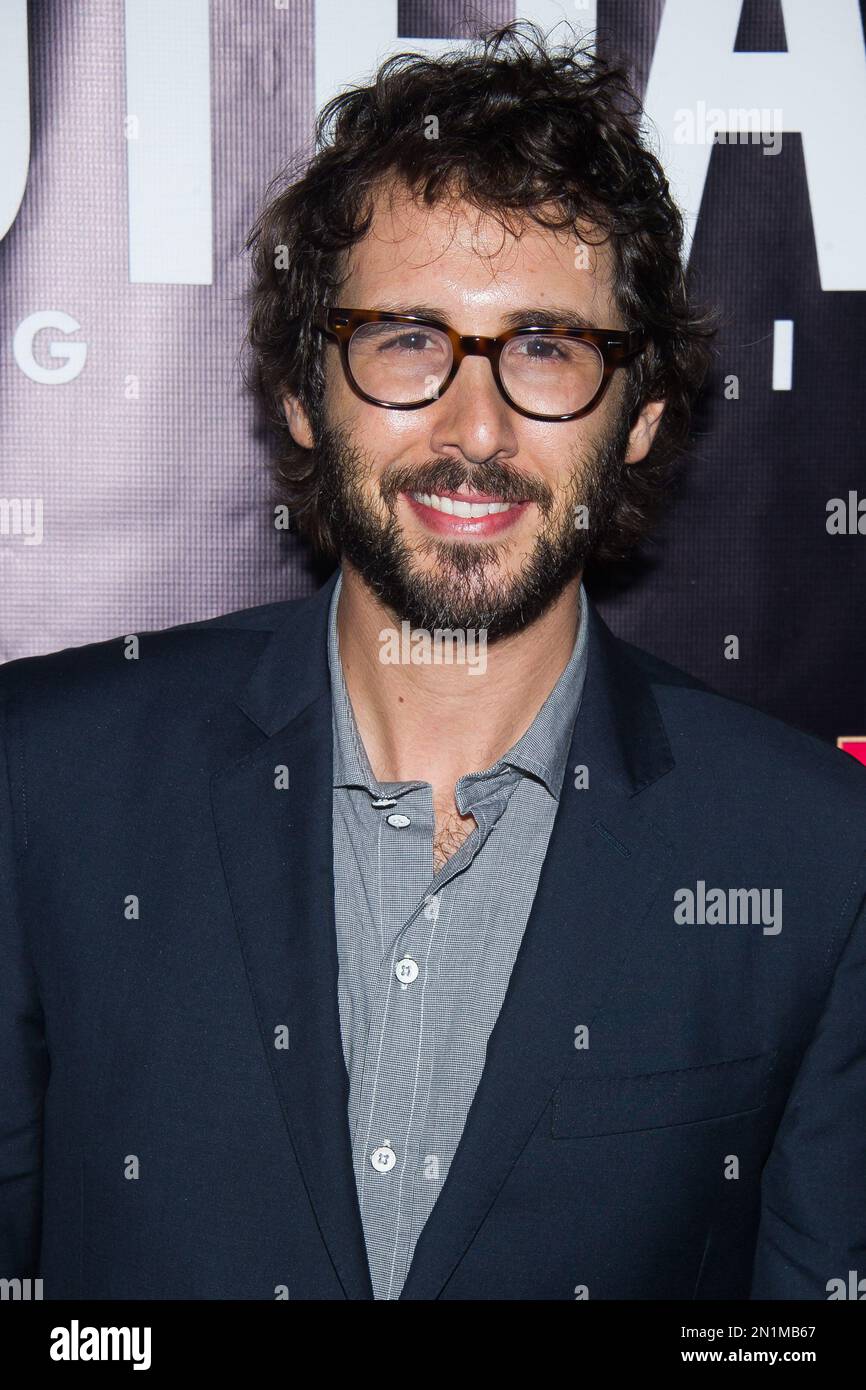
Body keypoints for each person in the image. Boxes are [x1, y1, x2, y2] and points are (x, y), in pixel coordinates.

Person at [2, 23, 864, 1302]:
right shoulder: (42, 780)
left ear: (641, 419)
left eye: (544, 348)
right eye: (407, 339)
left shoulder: (812, 853)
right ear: (304, 390)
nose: (476, 428)